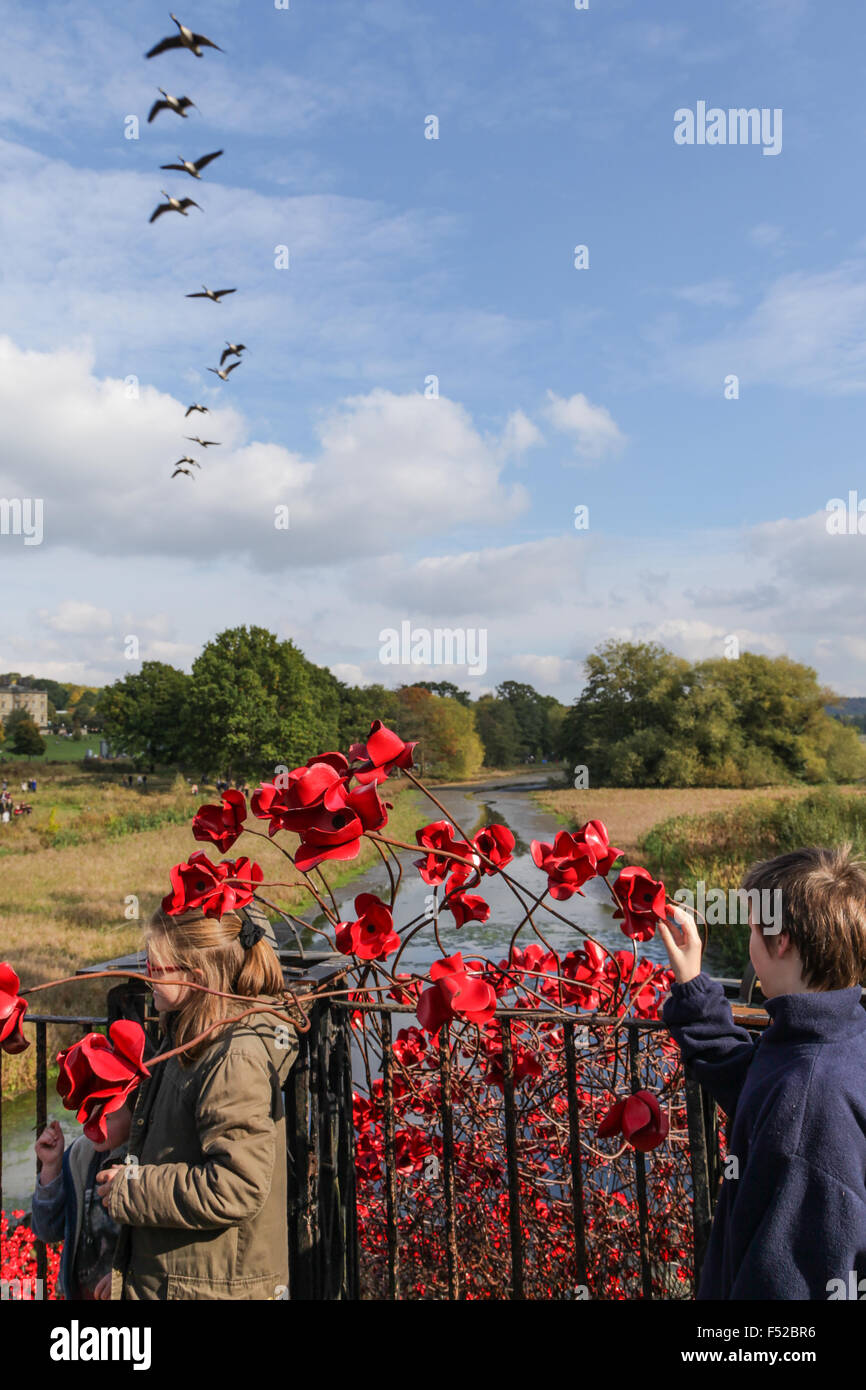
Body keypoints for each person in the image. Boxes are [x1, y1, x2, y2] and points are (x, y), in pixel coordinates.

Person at [658, 845, 866, 1300]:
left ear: (783, 940)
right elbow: (752, 1080)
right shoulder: (835, 1038)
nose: (750, 942)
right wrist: (694, 987)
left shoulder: (808, 1104)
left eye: (753, 928)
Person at [98, 901, 298, 1300]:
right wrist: (128, 1277)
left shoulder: (233, 1057)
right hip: (182, 1279)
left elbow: (236, 1185)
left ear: (196, 977)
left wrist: (130, 1187)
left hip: (212, 1288)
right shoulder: (191, 1035)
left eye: (156, 969)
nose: (147, 977)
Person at [31, 1105, 133, 1300]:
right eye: (86, 1113)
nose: (92, 1126)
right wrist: (51, 1166)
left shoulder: (147, 1162)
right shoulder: (81, 1154)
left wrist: (130, 1274)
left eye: (106, 1117)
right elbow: (48, 1230)